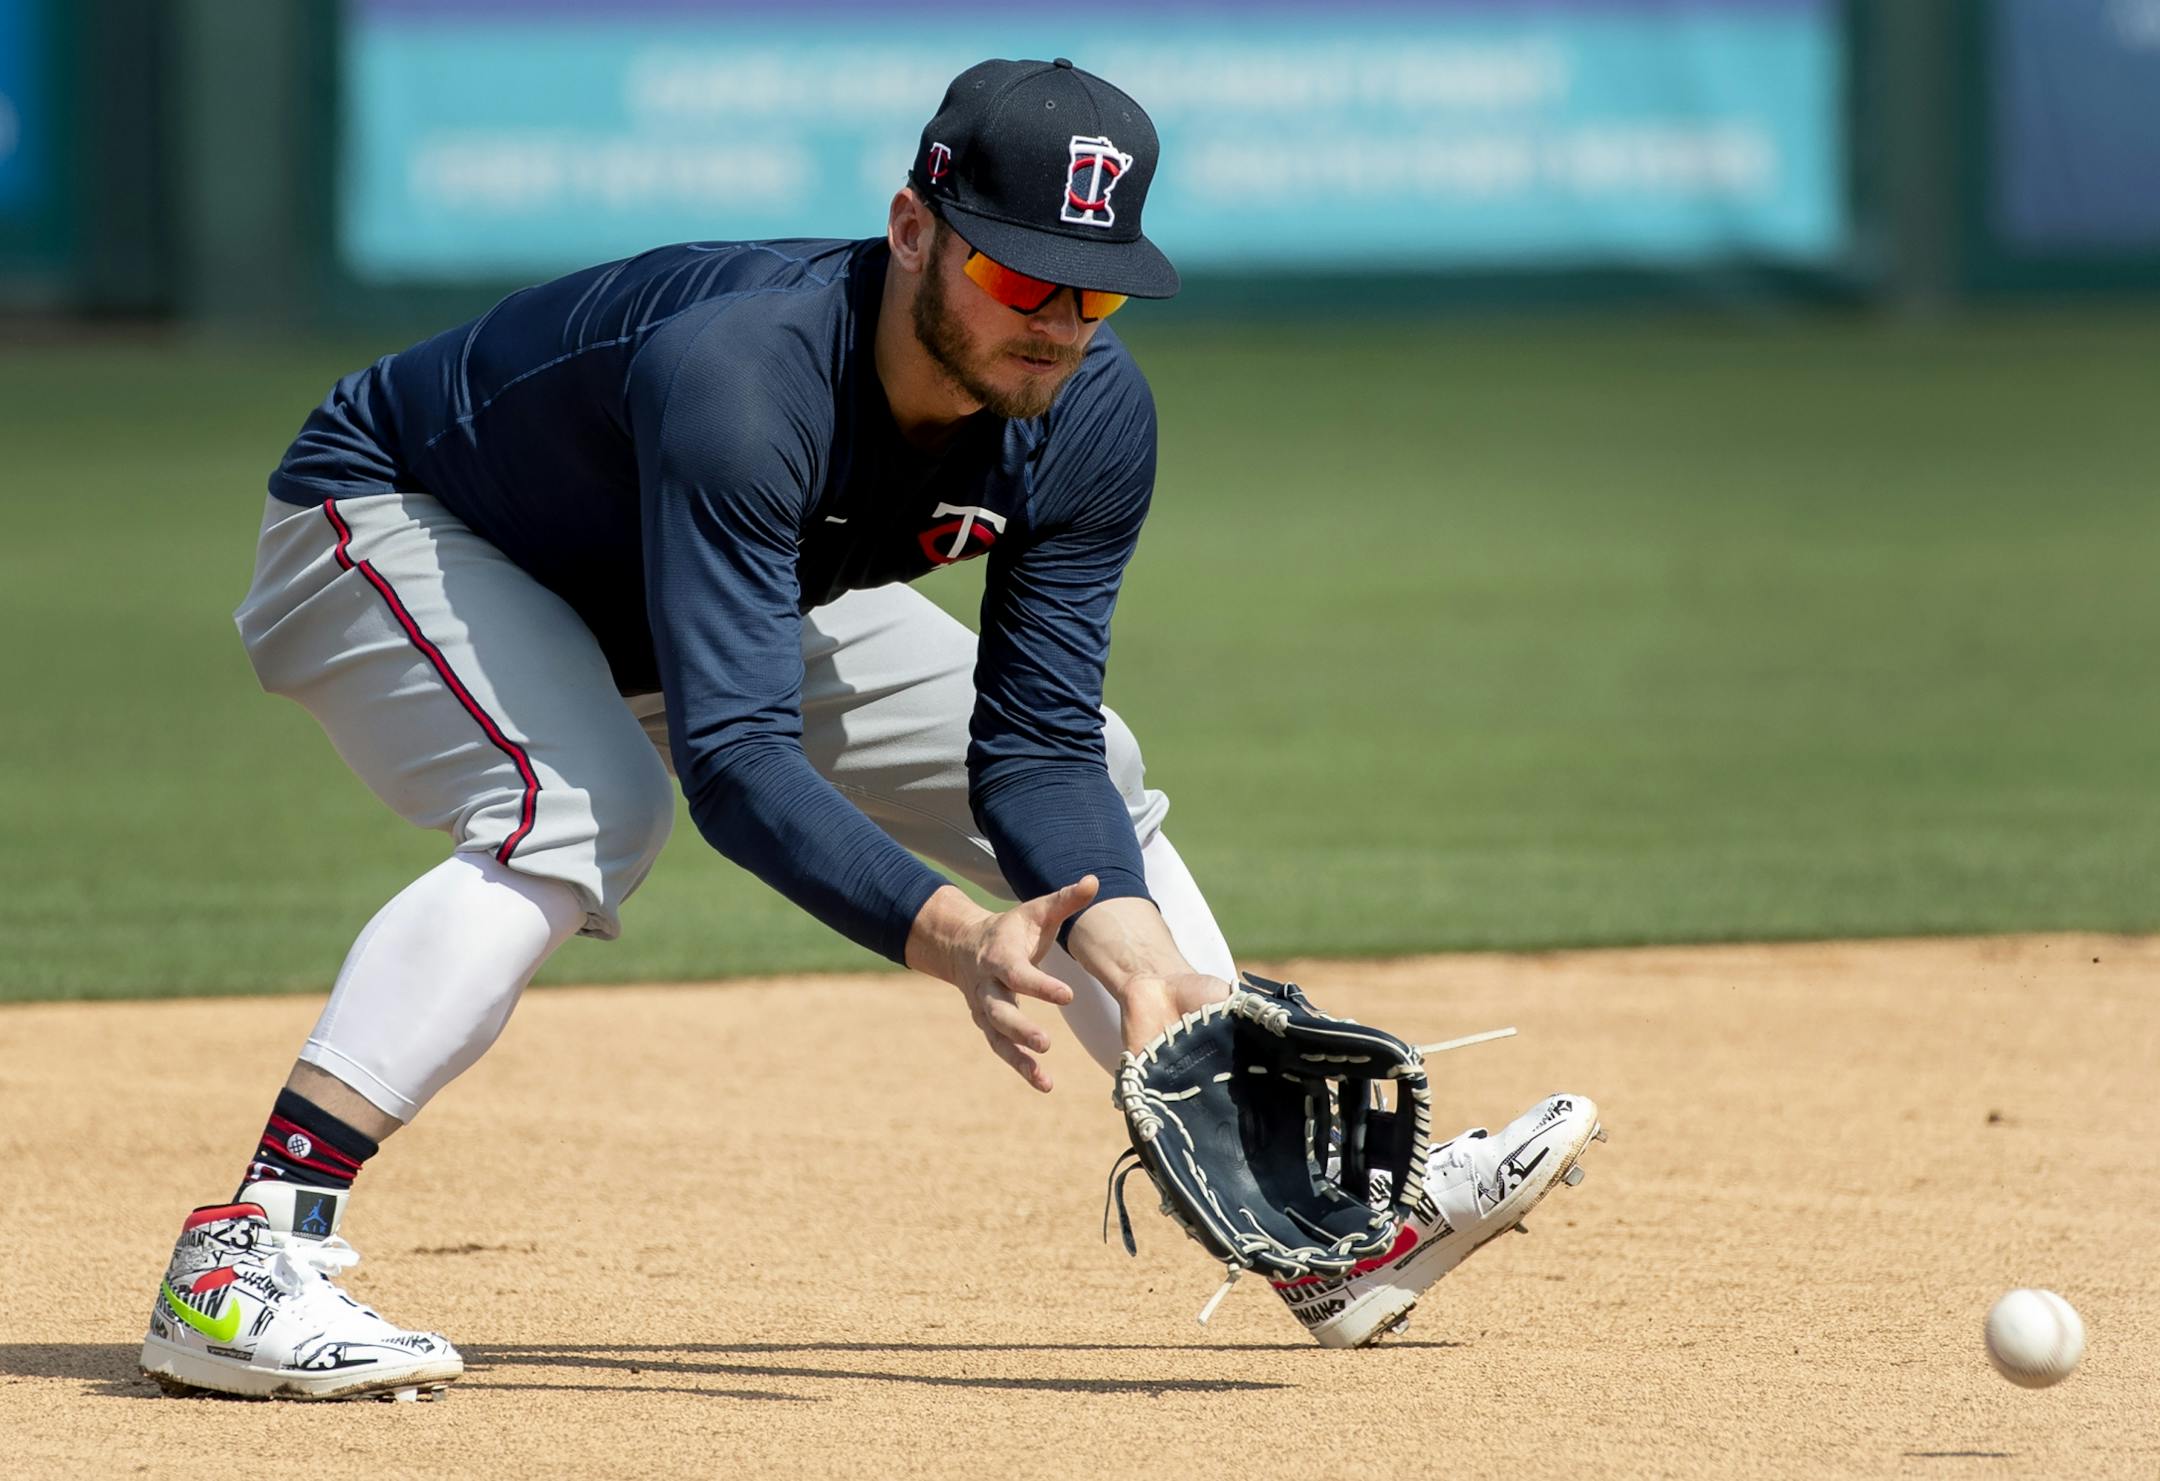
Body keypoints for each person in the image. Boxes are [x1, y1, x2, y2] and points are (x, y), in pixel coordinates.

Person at [141, 58, 1599, 1401]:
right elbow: (731, 762)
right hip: (402, 521)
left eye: (1096, 293)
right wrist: (957, 935)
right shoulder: (742, 376)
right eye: (1020, 272)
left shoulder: (1088, 420)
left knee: (1106, 771)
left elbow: (1029, 742)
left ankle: (1325, 1232)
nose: (1056, 322)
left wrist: (1140, 953)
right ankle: (245, 1252)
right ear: (914, 226)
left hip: (704, 586)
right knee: (585, 806)